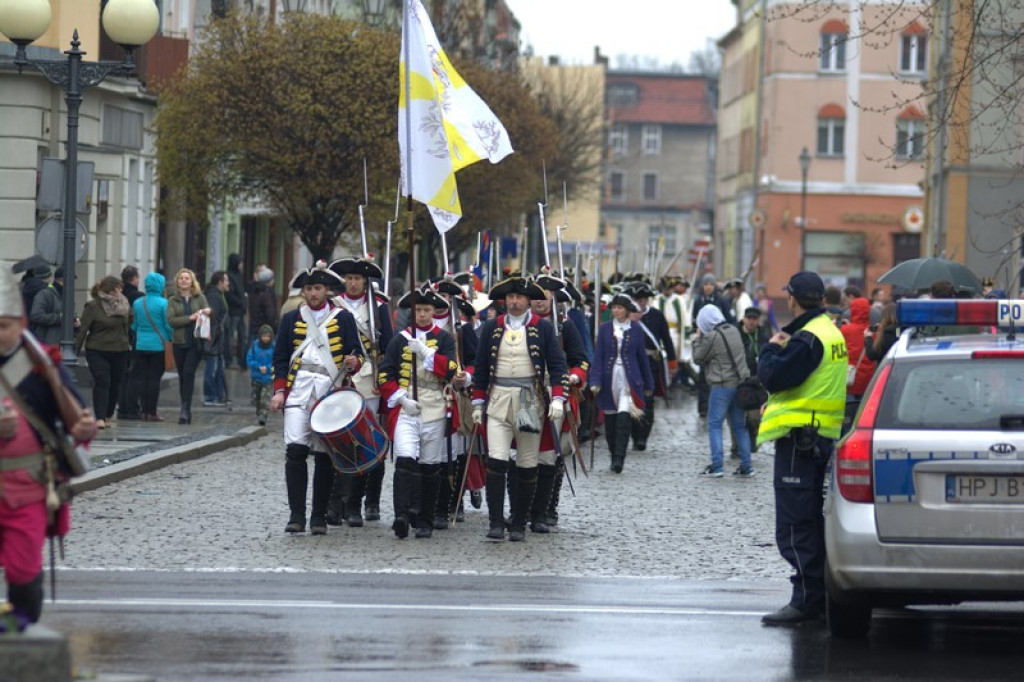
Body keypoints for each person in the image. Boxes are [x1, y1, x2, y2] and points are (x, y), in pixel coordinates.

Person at [0, 264, 97, 631]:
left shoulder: (42, 363)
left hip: (28, 486)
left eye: (4, 326)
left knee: (23, 568)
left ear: (20, 323)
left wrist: (83, 428)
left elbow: (74, 418)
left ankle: (19, 631)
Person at [757, 271, 847, 625]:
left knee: (795, 524)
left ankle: (807, 598)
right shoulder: (830, 331)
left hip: (800, 439)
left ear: (793, 299)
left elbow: (774, 375)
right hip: (818, 436)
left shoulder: (806, 338)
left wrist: (769, 348)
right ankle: (817, 593)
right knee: (809, 518)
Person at [471, 275, 569, 542]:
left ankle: (518, 523)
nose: (514, 302)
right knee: (497, 460)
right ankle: (495, 522)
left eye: (520, 298)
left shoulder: (543, 328)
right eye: (511, 298)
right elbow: (480, 370)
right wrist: (478, 401)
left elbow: (558, 367)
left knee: (527, 462)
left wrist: (558, 398)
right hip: (498, 397)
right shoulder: (492, 327)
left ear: (528, 301)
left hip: (528, 398)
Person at [269, 262, 364, 535]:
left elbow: (357, 355)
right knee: (295, 451)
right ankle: (296, 515)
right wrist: (279, 392)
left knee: (324, 456)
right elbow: (280, 358)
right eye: (309, 288)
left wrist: (352, 361)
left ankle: (319, 516)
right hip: (298, 390)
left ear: (327, 290)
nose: (313, 293)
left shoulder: (343, 318)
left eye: (318, 288)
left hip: (329, 393)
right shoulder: (291, 319)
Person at [378, 284, 468, 539]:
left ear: (434, 311)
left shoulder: (445, 339)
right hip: (408, 405)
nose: (422, 315)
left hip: (435, 405)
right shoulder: (399, 339)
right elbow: (385, 374)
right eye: (418, 310)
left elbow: (451, 369)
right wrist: (400, 399)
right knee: (405, 460)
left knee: (430, 465)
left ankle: (426, 520)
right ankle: (402, 516)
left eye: (427, 310)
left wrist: (427, 352)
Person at [325, 256, 395, 527]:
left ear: (365, 281)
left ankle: (367, 500)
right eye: (349, 279)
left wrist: (384, 377)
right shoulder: (334, 307)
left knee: (369, 441)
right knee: (343, 442)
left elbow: (389, 346)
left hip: (370, 380)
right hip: (342, 377)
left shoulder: (377, 307)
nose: (353, 283)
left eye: (358, 279)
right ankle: (342, 501)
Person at [529, 275, 588, 533]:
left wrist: (574, 376)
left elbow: (580, 360)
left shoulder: (565, 326)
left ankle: (547, 508)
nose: (540, 300)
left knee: (556, 453)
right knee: (521, 451)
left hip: (558, 392)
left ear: (553, 297)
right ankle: (521, 508)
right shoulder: (521, 325)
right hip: (526, 394)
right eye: (535, 295)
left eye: (545, 295)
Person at [589, 293, 653, 474]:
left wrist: (648, 383)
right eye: (614, 307)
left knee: (624, 418)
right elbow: (598, 357)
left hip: (629, 378)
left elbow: (642, 358)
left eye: (619, 307)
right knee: (610, 420)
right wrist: (595, 380)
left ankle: (619, 458)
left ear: (627, 310)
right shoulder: (604, 329)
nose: (616, 310)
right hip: (609, 378)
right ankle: (612, 454)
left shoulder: (637, 329)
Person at [692, 305, 754, 478]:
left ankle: (717, 465)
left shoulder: (712, 336)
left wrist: (697, 339)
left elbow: (698, 357)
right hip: (739, 385)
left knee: (714, 424)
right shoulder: (734, 330)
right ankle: (746, 466)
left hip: (722, 385)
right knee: (739, 426)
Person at [622, 281, 676, 451]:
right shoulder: (625, 317)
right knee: (631, 400)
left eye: (643, 299)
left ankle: (642, 437)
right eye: (636, 299)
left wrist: (672, 363)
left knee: (647, 401)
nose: (640, 302)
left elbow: (666, 340)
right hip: (629, 364)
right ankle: (633, 434)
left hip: (651, 364)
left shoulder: (657, 315)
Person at [75, 276, 132, 429]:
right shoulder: (93, 306)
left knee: (115, 384)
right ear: (110, 290)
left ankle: (108, 415)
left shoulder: (124, 304)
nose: (121, 291)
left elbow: (127, 327)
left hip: (120, 350)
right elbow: (83, 330)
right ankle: (99, 417)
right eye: (118, 288)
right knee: (102, 381)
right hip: (97, 350)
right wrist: (74, 351)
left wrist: (130, 346)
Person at [167, 268, 211, 425]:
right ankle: (185, 407)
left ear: (192, 281)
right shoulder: (172, 300)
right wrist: (190, 318)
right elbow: (172, 321)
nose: (184, 280)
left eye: (187, 278)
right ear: (177, 282)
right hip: (179, 342)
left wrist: (206, 311)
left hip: (195, 342)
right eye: (181, 278)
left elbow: (208, 312)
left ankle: (185, 408)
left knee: (188, 372)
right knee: (182, 376)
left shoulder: (200, 298)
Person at [132, 272, 173, 422]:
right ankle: (152, 412)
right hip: (158, 346)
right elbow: (168, 325)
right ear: (160, 285)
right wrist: (170, 338)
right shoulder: (164, 303)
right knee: (154, 379)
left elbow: (134, 325)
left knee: (143, 378)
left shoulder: (138, 303)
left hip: (141, 345)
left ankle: (143, 411)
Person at [691, 274, 734, 417]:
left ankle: (718, 406)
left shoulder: (721, 301)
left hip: (719, 341)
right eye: (706, 284)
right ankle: (703, 407)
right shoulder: (698, 301)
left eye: (711, 284)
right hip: (704, 341)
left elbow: (730, 319)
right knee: (703, 375)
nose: (708, 287)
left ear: (714, 286)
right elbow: (694, 320)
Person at [732, 306, 771, 457]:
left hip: (756, 381)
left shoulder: (762, 335)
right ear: (744, 318)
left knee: (754, 417)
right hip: (737, 379)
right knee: (736, 416)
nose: (752, 322)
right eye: (749, 318)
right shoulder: (735, 333)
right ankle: (736, 447)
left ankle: (753, 437)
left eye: (755, 319)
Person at [839, 297, 876, 435]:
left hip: (849, 380)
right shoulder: (873, 332)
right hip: (868, 382)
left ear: (853, 311)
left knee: (847, 419)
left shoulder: (845, 330)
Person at [117, 266, 145, 420]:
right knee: (134, 375)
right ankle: (132, 408)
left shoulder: (119, 295)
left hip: (118, 339)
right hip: (134, 339)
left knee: (122, 375)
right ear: (135, 278)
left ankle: (122, 408)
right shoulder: (139, 297)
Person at [202, 271, 230, 407]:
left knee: (218, 367)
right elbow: (213, 319)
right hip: (214, 340)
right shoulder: (214, 296)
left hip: (217, 339)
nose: (228, 283)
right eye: (226, 281)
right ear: (220, 282)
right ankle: (210, 396)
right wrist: (213, 337)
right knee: (212, 368)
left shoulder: (218, 295)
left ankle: (218, 396)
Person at [246, 324, 275, 426]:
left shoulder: (273, 347)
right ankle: (259, 413)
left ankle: (263, 414)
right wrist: (258, 367)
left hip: (268, 378)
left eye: (268, 336)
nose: (266, 338)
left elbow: (276, 361)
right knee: (257, 398)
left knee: (265, 398)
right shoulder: (255, 346)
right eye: (264, 336)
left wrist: (267, 368)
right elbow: (249, 359)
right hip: (256, 377)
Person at [28, 266, 62, 346]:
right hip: (43, 337)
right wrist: (60, 318)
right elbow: (36, 316)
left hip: (27, 334)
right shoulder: (45, 292)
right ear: (49, 277)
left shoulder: (26, 287)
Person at [225, 253, 247, 370]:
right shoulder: (229, 276)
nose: (241, 265)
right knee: (230, 336)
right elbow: (229, 294)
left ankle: (241, 360)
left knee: (243, 336)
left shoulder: (238, 275)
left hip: (240, 311)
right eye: (240, 263)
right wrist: (241, 302)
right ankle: (228, 360)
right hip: (233, 311)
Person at [247, 266, 279, 345]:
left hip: (254, 327)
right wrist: (275, 327)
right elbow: (270, 314)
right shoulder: (266, 294)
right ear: (269, 281)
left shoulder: (254, 291)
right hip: (265, 331)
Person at [864, 302, 899, 368]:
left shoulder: (887, 335)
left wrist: (868, 338)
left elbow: (873, 355)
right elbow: (896, 335)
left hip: (887, 369)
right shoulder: (898, 330)